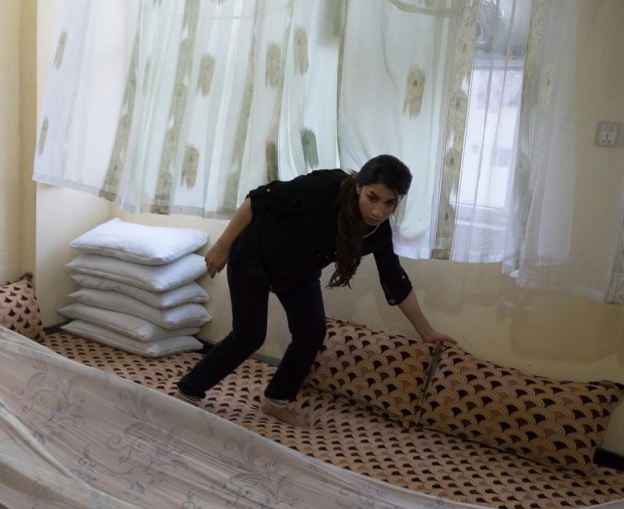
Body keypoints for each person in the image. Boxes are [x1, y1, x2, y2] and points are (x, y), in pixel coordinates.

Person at [175, 155, 455, 427]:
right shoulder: (323, 188)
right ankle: (188, 390)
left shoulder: (378, 232)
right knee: (249, 336)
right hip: (256, 253)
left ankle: (277, 400)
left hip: (300, 271)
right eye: (372, 197)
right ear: (359, 186)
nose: (379, 211)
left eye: (389, 203)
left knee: (311, 332)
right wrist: (222, 245)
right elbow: (258, 199)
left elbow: (395, 280)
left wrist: (427, 332)